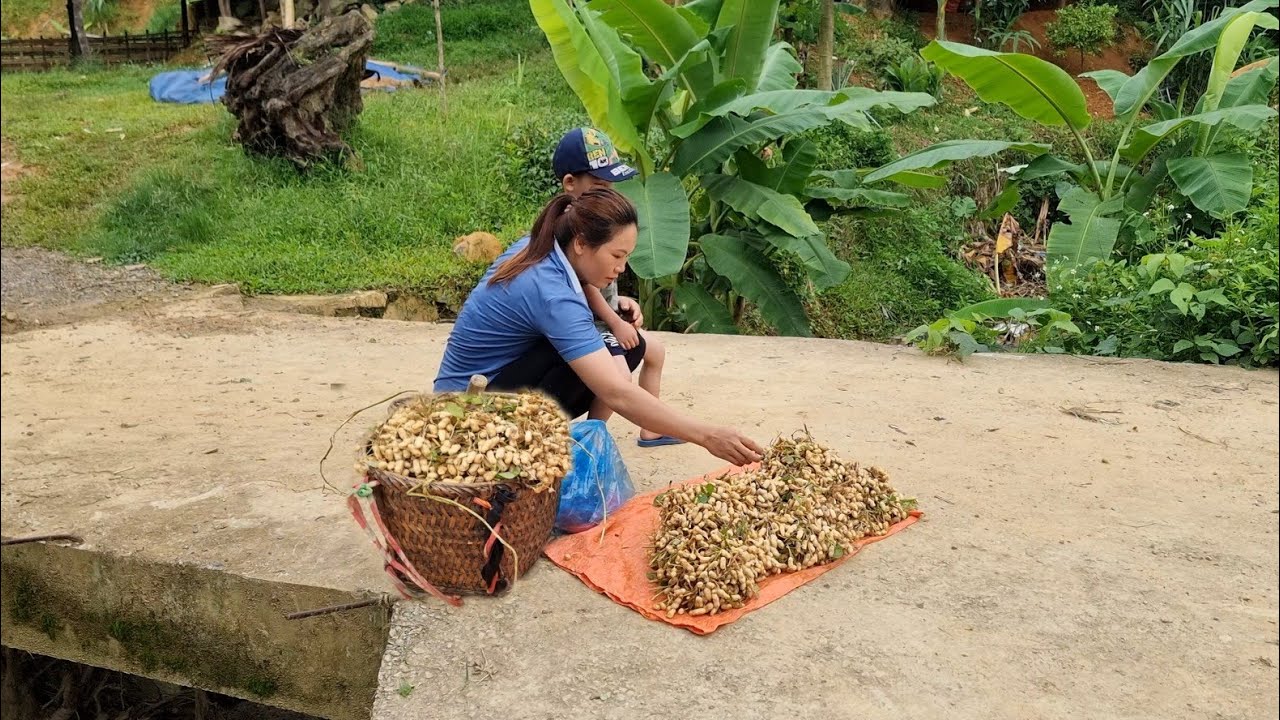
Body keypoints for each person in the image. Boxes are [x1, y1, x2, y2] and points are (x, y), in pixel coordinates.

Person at [433, 188, 762, 467]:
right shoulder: (552, 294)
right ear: (580, 244)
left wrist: (617, 312)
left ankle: (565, 440)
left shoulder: (541, 246)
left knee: (626, 344)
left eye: (626, 257)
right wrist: (707, 435)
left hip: (476, 387)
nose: (622, 268)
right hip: (464, 413)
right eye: (617, 256)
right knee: (607, 354)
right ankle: (517, 447)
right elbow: (616, 392)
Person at [551, 127, 682, 448]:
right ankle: (591, 438)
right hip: (590, 325)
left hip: (603, 316)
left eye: (611, 186)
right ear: (570, 183)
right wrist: (614, 321)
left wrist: (620, 301)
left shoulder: (597, 219)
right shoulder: (572, 228)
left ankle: (651, 429)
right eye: (599, 186)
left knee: (656, 351)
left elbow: (599, 285)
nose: (608, 194)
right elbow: (583, 286)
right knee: (619, 379)